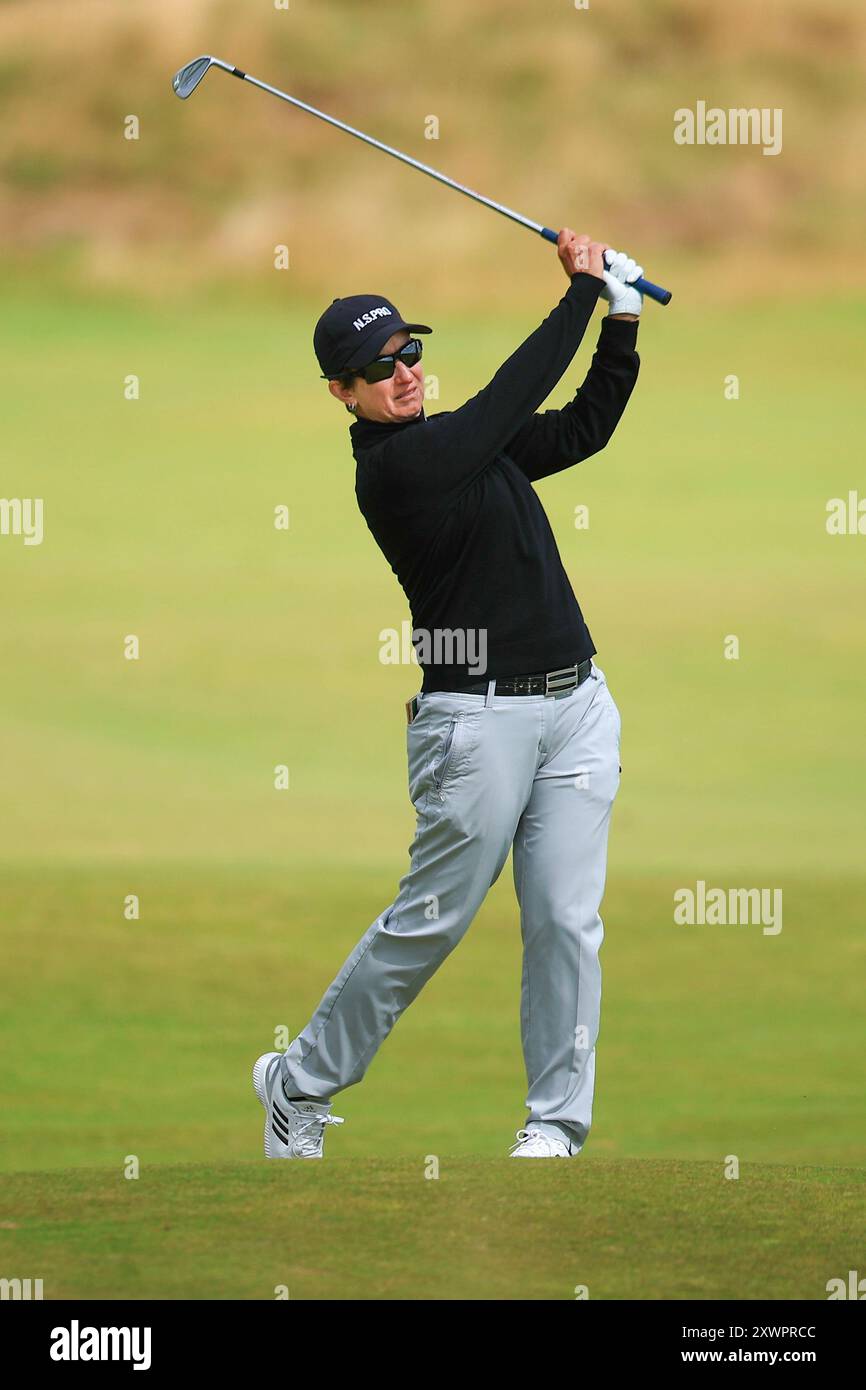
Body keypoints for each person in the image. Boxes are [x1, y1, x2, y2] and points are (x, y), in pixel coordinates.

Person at [253, 230, 643, 1158]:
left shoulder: (466, 446)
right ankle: (297, 1085)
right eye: (376, 369)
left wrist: (622, 319)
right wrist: (582, 293)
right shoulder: (397, 473)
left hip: (578, 706)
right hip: (476, 724)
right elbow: (517, 395)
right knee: (431, 923)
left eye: (409, 353)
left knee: (564, 923)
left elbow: (579, 426)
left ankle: (553, 1126)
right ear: (341, 393)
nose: (403, 375)